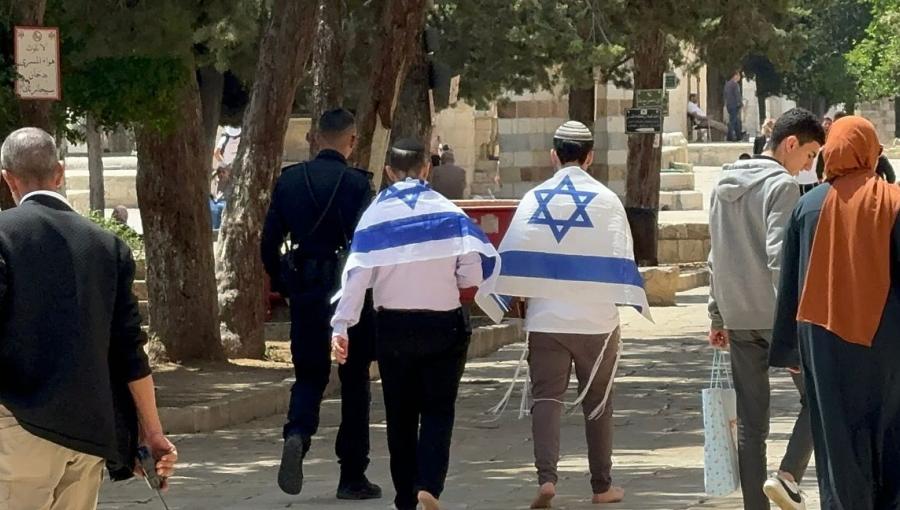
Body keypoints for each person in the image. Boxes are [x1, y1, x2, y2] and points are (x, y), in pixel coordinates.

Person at [0, 128, 177, 509]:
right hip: (87, 433)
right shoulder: (107, 245)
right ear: (60, 173)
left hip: (17, 426)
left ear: (6, 178)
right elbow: (130, 349)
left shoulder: (3, 237)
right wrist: (151, 431)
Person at [484, 121, 651, 509]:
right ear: (590, 157)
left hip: (546, 320)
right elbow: (621, 255)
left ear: (553, 155)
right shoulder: (607, 200)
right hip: (597, 322)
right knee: (598, 402)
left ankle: (547, 479)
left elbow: (512, 258)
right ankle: (601, 485)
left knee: (546, 398)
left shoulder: (533, 199)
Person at [330, 138, 500, 510]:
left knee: (400, 414)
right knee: (439, 409)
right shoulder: (448, 212)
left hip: (392, 329)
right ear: (426, 169)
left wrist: (341, 326)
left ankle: (405, 496)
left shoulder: (375, 215)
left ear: (389, 172)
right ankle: (430, 485)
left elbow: (357, 276)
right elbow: (472, 273)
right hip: (444, 326)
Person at [771, 116, 900, 509]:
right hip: (886, 341)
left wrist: (789, 351)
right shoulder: (894, 201)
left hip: (823, 342)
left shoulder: (808, 205)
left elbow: (791, 281)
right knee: (891, 433)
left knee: (836, 440)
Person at [707, 108, 825, 510]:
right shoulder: (782, 188)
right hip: (776, 319)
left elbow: (715, 254)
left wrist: (716, 314)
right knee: (818, 401)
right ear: (790, 144)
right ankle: (789, 476)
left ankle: (755, 507)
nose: (809, 166)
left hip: (737, 316)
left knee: (752, 424)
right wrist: (796, 324)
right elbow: (779, 259)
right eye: (809, 155)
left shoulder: (721, 184)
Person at [261, 109, 381, 500]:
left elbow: (268, 243)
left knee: (309, 375)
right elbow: (369, 246)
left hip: (307, 289)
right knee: (354, 382)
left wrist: (285, 282)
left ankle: (297, 433)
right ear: (351, 141)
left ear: (315, 138)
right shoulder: (357, 185)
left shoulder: (290, 181)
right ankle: (351, 475)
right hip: (349, 290)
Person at [209, 164, 232, 230]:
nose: (221, 174)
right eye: (219, 172)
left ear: (228, 173)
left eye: (223, 172)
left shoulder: (231, 184)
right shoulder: (214, 182)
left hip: (224, 208)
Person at [724, 70, 744, 141]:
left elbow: (725, 95)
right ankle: (729, 136)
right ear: (735, 76)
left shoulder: (727, 84)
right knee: (733, 121)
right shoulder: (735, 84)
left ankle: (739, 135)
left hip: (729, 105)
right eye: (739, 76)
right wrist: (740, 103)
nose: (739, 78)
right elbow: (737, 95)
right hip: (735, 105)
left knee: (736, 121)